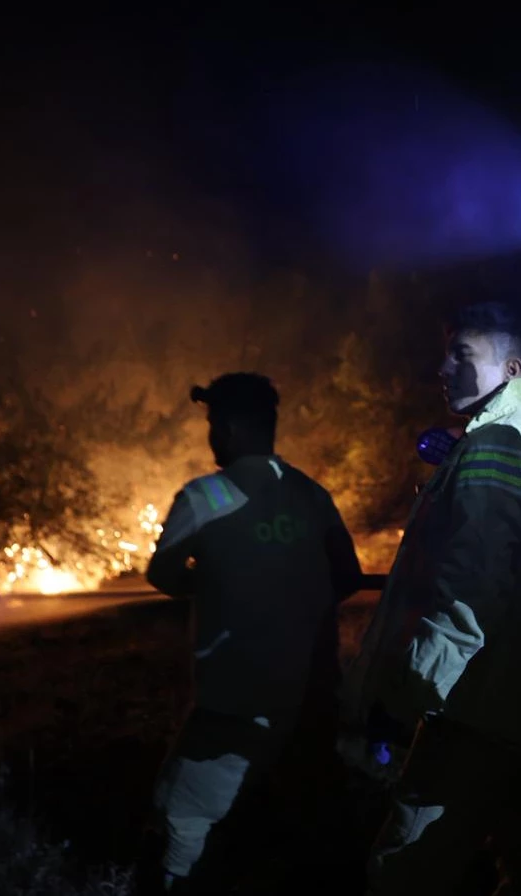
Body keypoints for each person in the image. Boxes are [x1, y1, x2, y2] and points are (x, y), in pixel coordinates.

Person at [341, 300, 521, 895]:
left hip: (477, 705)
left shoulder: (498, 444)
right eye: (446, 353)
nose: (443, 368)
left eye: (462, 355)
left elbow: (467, 587)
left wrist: (412, 692)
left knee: (405, 868)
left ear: (511, 369)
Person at [143, 372, 364, 894]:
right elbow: (349, 576)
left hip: (233, 700)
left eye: (214, 423)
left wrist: (222, 582)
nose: (211, 436)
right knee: (308, 822)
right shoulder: (311, 494)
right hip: (309, 695)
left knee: (182, 817)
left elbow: (164, 574)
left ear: (236, 427)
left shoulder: (204, 496)